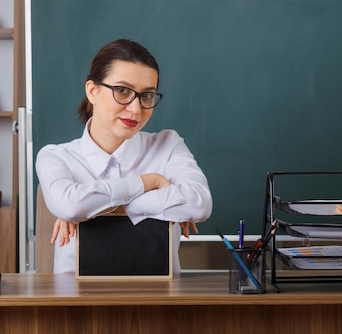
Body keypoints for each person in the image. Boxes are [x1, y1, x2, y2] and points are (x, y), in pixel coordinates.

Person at [35, 38, 212, 274]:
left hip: (159, 301)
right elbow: (69, 206)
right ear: (92, 91)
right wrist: (149, 183)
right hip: (77, 303)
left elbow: (199, 204)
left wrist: (86, 210)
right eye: (122, 90)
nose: (135, 109)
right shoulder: (56, 157)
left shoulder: (168, 145)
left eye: (147, 95)